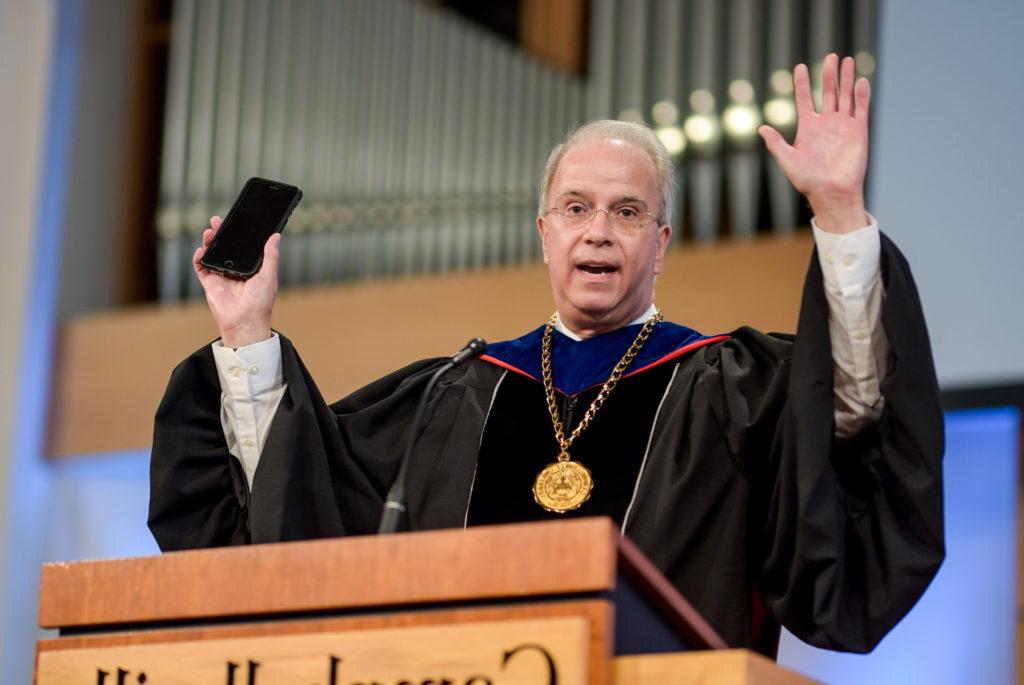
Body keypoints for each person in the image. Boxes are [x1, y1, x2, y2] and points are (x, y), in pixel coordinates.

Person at [149, 55, 943, 657]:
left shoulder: (731, 386)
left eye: (627, 211)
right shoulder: (455, 394)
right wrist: (248, 332)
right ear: (545, 234)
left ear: (660, 245)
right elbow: (304, 501)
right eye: (576, 207)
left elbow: (855, 415)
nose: (598, 229)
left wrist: (838, 212)